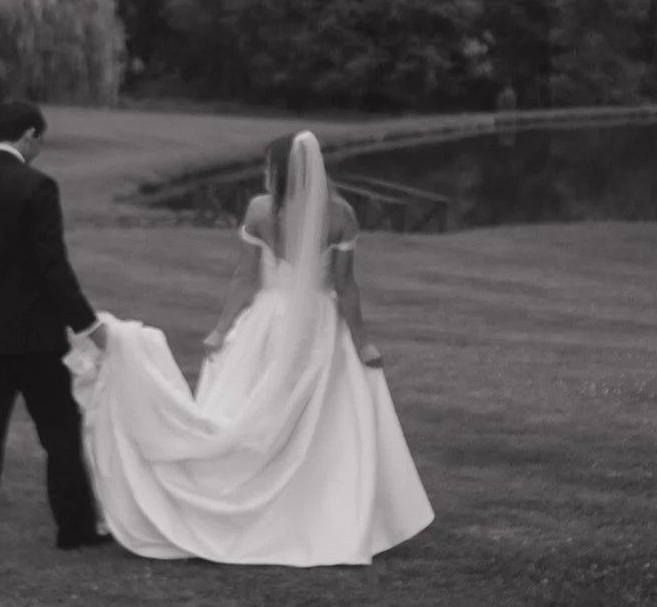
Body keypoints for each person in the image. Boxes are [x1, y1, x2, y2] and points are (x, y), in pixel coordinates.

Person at [67, 130, 433, 565]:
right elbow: (345, 285)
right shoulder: (341, 215)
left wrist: (223, 328)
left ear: (278, 171)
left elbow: (245, 278)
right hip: (320, 325)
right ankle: (316, 503)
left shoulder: (261, 210)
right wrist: (363, 341)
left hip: (267, 323)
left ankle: (247, 493)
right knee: (320, 418)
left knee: (252, 408)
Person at [0, 98, 109, 558]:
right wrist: (89, 324)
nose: (40, 149)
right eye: (41, 141)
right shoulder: (37, 187)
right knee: (59, 431)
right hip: (34, 333)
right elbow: (52, 266)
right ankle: (75, 529)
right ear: (29, 136)